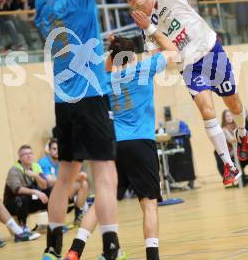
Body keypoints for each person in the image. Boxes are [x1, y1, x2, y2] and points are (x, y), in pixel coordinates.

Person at [28, 0, 126, 260]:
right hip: (91, 98)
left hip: (63, 103)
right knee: (105, 175)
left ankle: (53, 249)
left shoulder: (43, 2)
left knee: (66, 177)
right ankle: (111, 247)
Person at [124, 0, 248, 186]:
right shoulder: (147, 30)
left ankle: (242, 133)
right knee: (206, 110)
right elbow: (166, 57)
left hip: (211, 51)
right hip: (190, 66)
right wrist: (136, 57)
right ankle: (228, 166)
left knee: (234, 102)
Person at [63, 24, 178, 260]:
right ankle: (152, 256)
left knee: (102, 203)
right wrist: (150, 27)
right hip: (141, 143)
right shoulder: (144, 68)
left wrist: (112, 49)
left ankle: (76, 249)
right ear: (133, 55)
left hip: (115, 147)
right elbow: (172, 50)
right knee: (149, 204)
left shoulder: (104, 79)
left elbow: (107, 66)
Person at [39, 139, 89, 225]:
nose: (57, 151)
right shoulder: (44, 162)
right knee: (62, 188)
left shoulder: (64, 161)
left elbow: (73, 175)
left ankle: (78, 215)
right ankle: (58, 222)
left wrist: (80, 176)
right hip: (49, 192)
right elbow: (50, 182)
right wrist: (73, 178)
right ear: (49, 150)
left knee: (83, 184)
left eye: (59, 149)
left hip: (64, 188)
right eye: (54, 149)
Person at [3, 145, 50, 230]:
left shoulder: (35, 166)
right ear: (20, 158)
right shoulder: (14, 170)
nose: (29, 156)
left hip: (29, 201)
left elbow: (44, 186)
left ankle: (54, 225)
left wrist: (36, 175)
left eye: (30, 153)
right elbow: (17, 189)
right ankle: (23, 228)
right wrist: (36, 192)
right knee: (22, 198)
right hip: (12, 203)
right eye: (25, 154)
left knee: (50, 192)